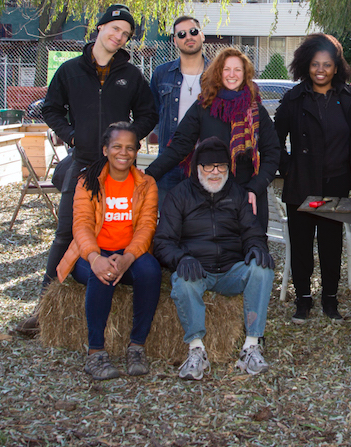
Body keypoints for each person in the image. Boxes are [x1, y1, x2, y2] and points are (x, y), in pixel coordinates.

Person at [19, 4, 158, 335]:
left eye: (125, 34)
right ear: (100, 28)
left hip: (121, 168)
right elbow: (51, 109)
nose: (119, 37)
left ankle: (126, 288)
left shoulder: (131, 76)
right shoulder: (69, 71)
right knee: (66, 234)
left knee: (125, 231)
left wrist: (124, 142)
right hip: (82, 164)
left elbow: (149, 114)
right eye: (115, 29)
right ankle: (44, 310)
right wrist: (70, 135)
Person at [154, 137, 275, 379]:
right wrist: (181, 259)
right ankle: (196, 350)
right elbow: (162, 242)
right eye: (209, 167)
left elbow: (253, 232)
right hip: (197, 268)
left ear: (228, 169)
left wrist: (255, 247)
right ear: (197, 168)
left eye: (221, 167)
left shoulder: (237, 194)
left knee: (263, 268)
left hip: (232, 269)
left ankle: (251, 346)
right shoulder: (179, 195)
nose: (215, 172)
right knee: (182, 282)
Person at [55, 122, 162, 380]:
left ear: (136, 151)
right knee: (101, 274)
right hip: (89, 253)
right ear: (105, 150)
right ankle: (96, 352)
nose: (123, 153)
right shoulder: (87, 182)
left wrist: (127, 258)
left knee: (151, 271)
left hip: (128, 253)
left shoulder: (147, 184)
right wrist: (95, 258)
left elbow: (147, 227)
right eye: (116, 146)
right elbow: (80, 226)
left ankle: (136, 346)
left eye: (129, 147)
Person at [145, 47, 280, 234]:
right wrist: (148, 176)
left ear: (245, 74)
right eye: (226, 69)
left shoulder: (256, 110)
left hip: (247, 193)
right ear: (218, 72)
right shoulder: (204, 106)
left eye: (237, 70)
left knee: (251, 252)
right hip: (211, 192)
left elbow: (272, 152)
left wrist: (255, 188)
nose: (232, 75)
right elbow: (179, 146)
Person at [275, 34, 351, 324]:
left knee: (331, 244)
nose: (320, 70)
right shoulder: (294, 98)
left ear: (336, 68)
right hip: (302, 186)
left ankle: (330, 301)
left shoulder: (349, 100)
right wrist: (288, 168)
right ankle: (303, 301)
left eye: (327, 64)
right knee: (301, 245)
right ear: (305, 66)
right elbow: (275, 140)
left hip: (334, 184)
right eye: (314, 64)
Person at [149, 16, 209, 205]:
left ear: (202, 35)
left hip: (207, 161)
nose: (188, 37)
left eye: (193, 32)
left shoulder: (217, 73)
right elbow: (153, 113)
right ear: (175, 41)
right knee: (168, 222)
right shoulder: (162, 73)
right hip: (169, 162)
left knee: (204, 224)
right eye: (181, 34)